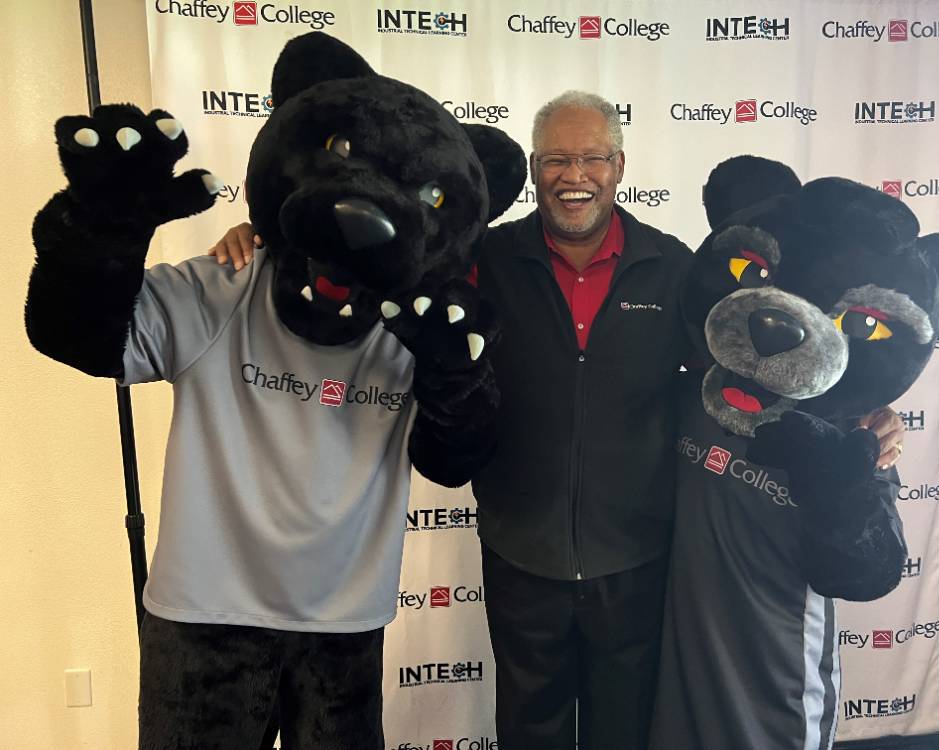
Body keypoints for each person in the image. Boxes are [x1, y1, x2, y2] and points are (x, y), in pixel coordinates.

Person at [211, 91, 904, 750]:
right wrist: (270, 238)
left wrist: (865, 407)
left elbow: (747, 360)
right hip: (522, 557)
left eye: (593, 158)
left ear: (619, 168)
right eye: (556, 161)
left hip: (635, 561)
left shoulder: (673, 268)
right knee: (530, 735)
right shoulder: (486, 257)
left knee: (622, 737)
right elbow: (375, 270)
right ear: (537, 170)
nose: (575, 176)